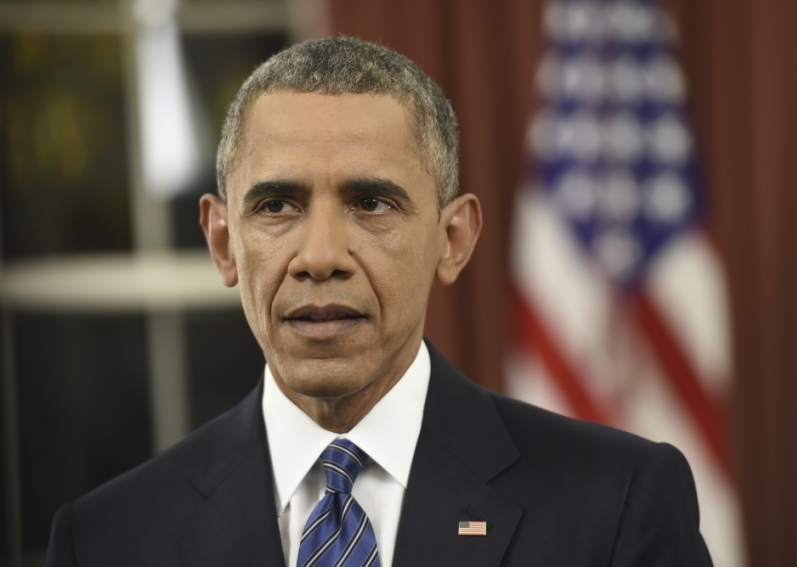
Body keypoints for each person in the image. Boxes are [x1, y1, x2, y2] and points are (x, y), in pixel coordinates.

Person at [45, 37, 713, 566]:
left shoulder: (619, 504)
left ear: (453, 239)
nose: (321, 255)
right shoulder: (105, 540)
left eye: (371, 204)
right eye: (278, 205)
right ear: (223, 242)